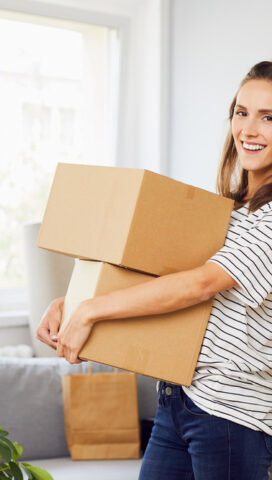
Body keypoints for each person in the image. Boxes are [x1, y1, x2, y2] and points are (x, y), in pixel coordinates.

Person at [36, 60, 272, 479]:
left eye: (269, 117)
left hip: (233, 415)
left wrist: (91, 310)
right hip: (177, 400)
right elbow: (161, 281)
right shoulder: (227, 214)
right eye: (242, 112)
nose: (249, 130)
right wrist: (71, 303)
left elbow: (200, 285)